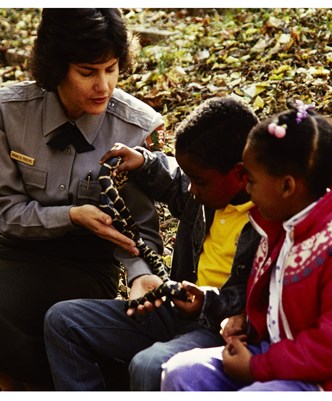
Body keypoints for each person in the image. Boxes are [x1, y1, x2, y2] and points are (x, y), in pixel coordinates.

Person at [0, 9, 164, 390]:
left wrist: (142, 275)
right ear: (56, 65)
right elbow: (5, 210)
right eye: (87, 71)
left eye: (111, 69)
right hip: (14, 249)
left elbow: (140, 229)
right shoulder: (8, 111)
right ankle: (20, 381)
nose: (104, 86)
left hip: (87, 268)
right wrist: (71, 215)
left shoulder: (137, 125)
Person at [43, 96, 261, 390]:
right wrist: (143, 161)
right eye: (190, 179)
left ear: (239, 173)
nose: (192, 190)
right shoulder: (208, 195)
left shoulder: (269, 221)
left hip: (218, 327)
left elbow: (260, 298)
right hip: (176, 308)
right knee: (63, 321)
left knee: (149, 365)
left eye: (199, 181)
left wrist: (207, 303)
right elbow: (175, 182)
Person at [160, 102, 332, 391]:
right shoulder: (275, 226)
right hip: (272, 357)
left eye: (252, 181)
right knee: (182, 372)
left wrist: (257, 367)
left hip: (323, 381)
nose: (245, 189)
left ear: (286, 187)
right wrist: (245, 320)